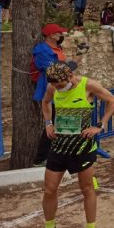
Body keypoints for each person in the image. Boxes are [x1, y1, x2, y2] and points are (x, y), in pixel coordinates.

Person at [28, 62, 114, 228]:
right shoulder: (53, 86)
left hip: (82, 148)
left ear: (69, 76)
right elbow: (45, 102)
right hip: (59, 147)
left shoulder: (88, 85)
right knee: (49, 189)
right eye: (55, 86)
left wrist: (99, 126)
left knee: (87, 189)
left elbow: (112, 101)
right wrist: (48, 123)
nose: (58, 89)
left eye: (61, 85)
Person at [32, 24, 69, 165]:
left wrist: (78, 57)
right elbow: (55, 71)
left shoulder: (58, 49)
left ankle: (54, 153)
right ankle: (40, 159)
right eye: (58, 33)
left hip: (61, 90)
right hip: (50, 90)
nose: (61, 35)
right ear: (51, 35)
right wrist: (68, 68)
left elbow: (64, 68)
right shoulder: (41, 52)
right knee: (52, 123)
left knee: (59, 123)